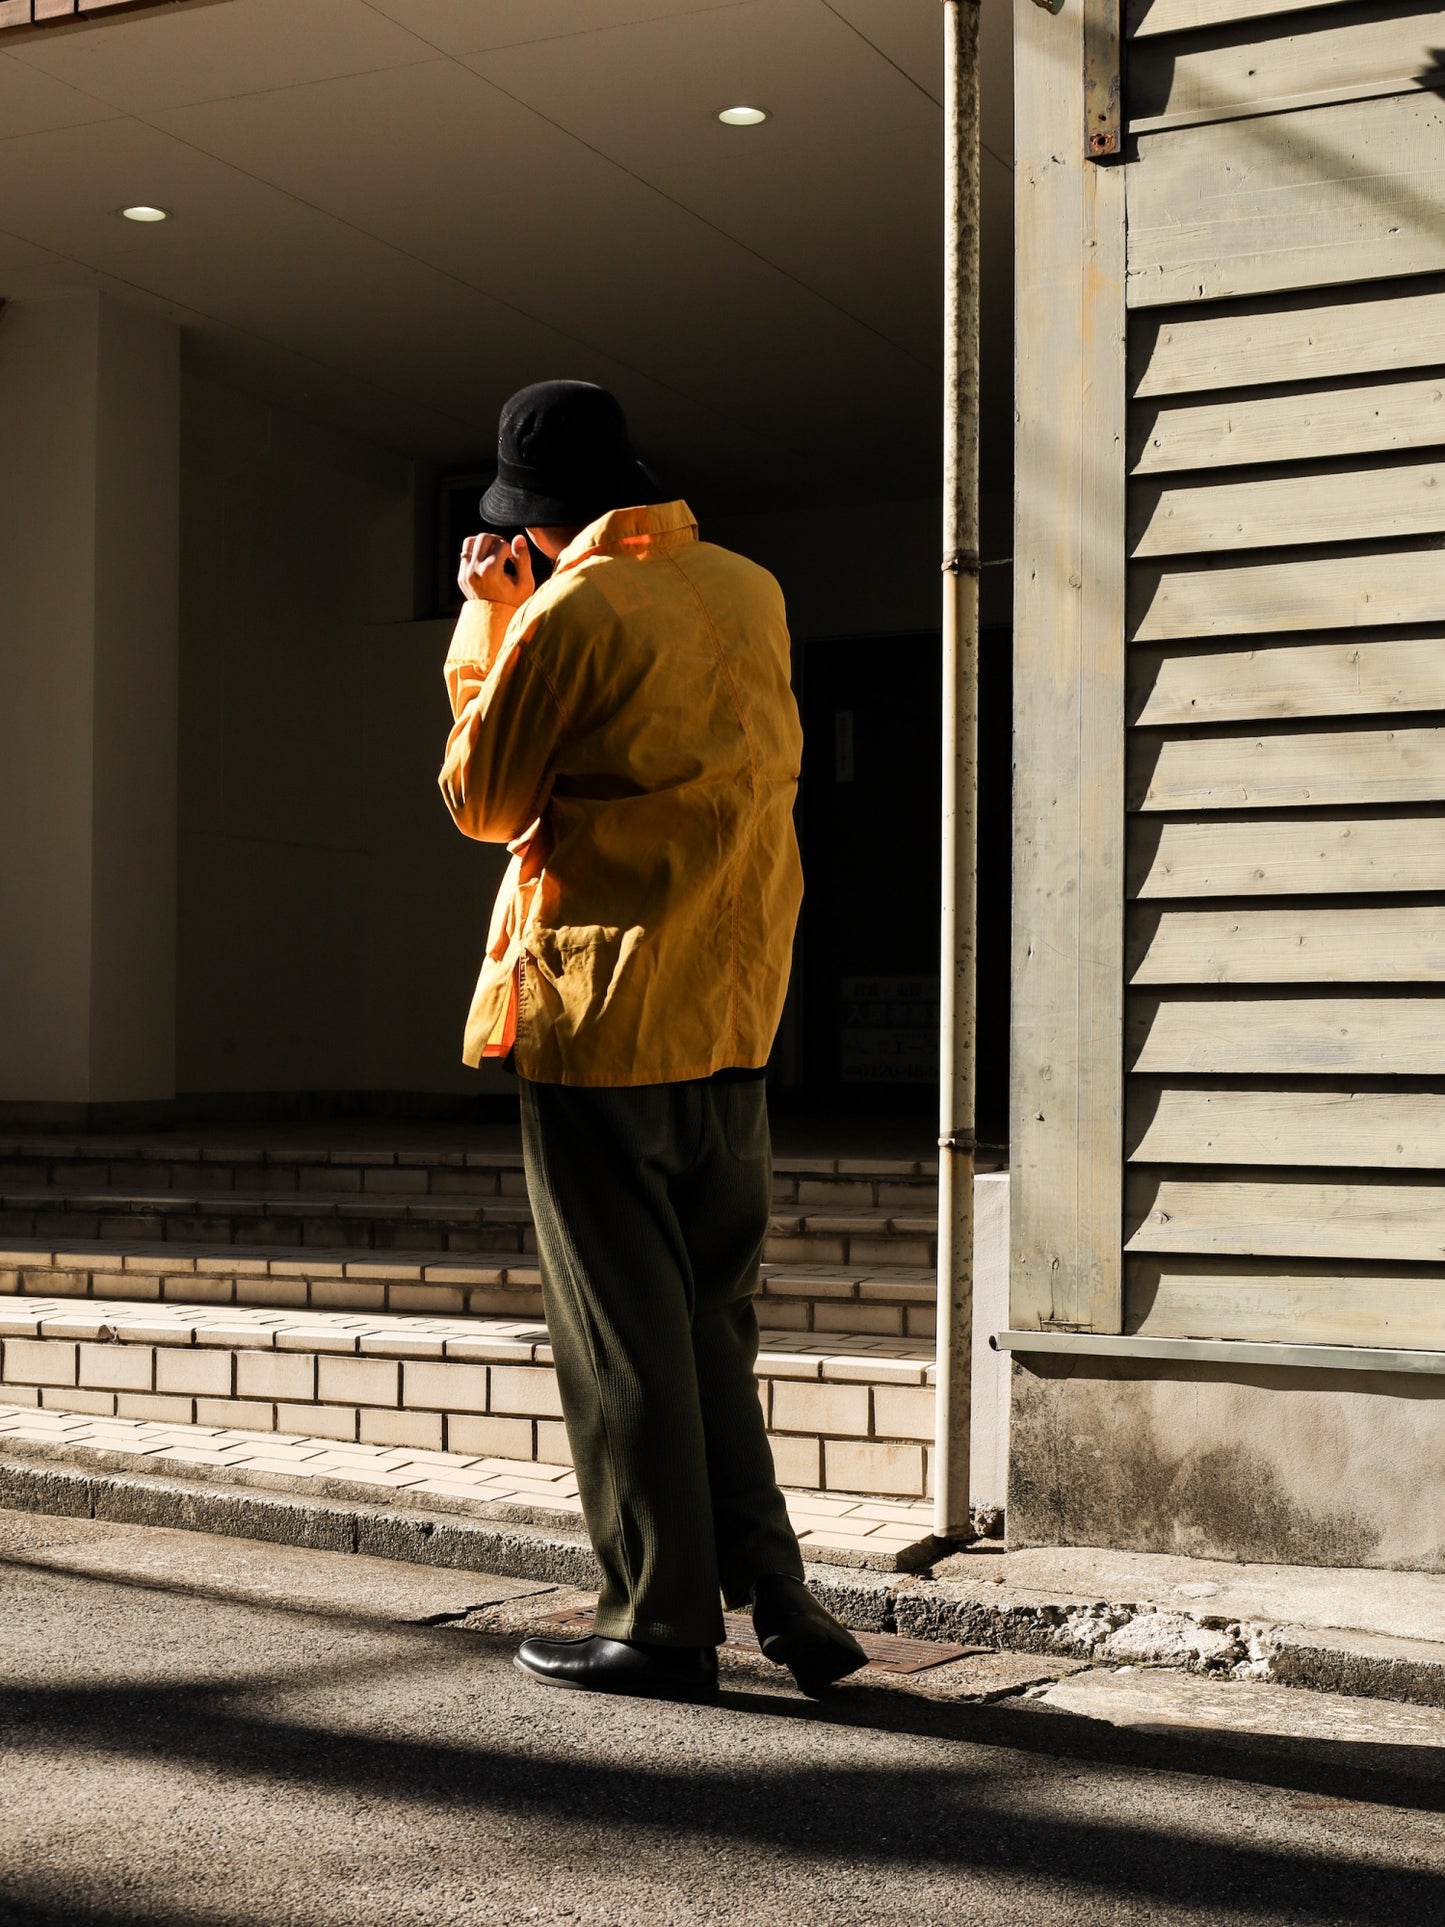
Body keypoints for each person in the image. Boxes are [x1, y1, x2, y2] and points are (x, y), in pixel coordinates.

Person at [438, 379, 867, 1703]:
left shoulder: (567, 606)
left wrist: (485, 618)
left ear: (537, 523)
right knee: (704, 1330)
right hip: (733, 1009)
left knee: (622, 1340)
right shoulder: (749, 589)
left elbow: (480, 795)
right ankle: (778, 1589)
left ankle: (658, 1621)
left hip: (603, 1017)